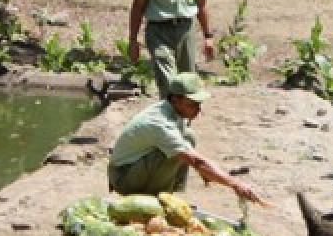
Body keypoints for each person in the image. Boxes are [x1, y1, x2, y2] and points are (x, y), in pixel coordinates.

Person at [107, 72, 265, 204]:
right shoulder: (160, 123)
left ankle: (169, 194)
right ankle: (154, 199)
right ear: (176, 100)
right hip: (124, 177)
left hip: (135, 168)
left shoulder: (173, 110)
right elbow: (196, 161)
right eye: (193, 104)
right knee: (174, 152)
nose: (198, 109)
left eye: (199, 103)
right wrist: (235, 183)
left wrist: (206, 171)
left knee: (188, 137)